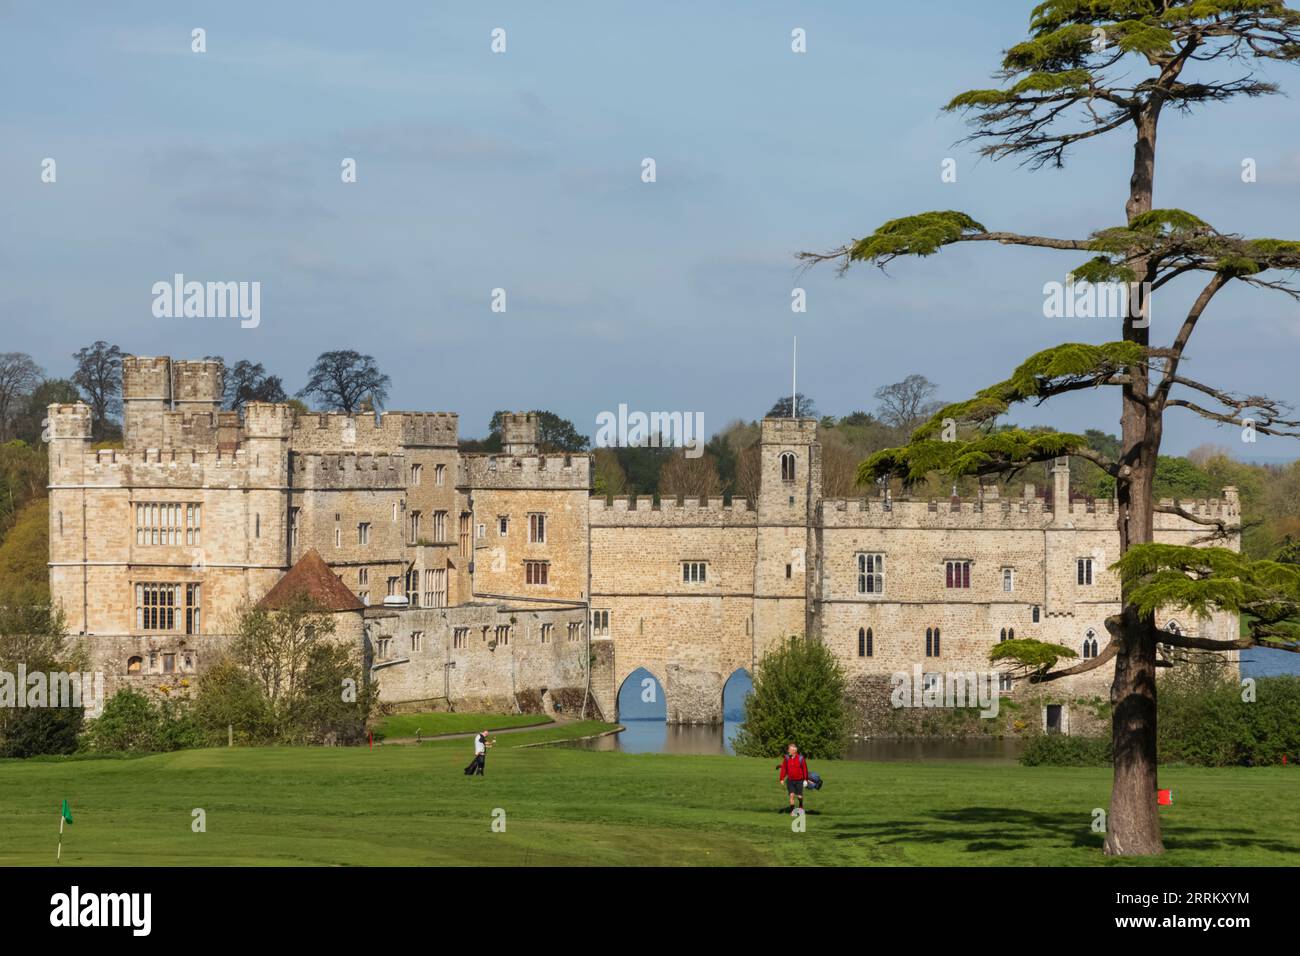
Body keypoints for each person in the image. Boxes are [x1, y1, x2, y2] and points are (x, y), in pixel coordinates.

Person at [778, 742, 811, 815]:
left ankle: (801, 805)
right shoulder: (786, 758)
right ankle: (792, 811)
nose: (788, 751)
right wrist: (781, 778)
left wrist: (805, 779)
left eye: (789, 750)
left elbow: (805, 769)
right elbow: (784, 768)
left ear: (794, 751)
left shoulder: (801, 758)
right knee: (791, 795)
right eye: (788, 749)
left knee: (799, 796)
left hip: (799, 780)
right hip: (790, 781)